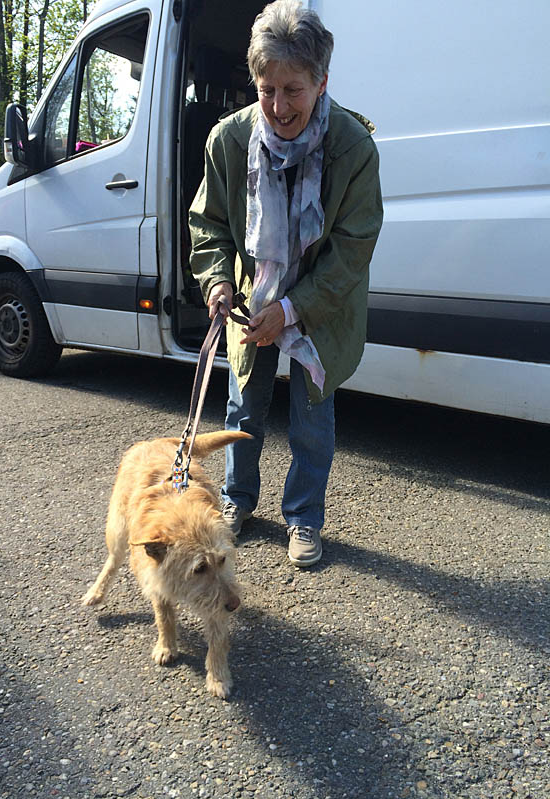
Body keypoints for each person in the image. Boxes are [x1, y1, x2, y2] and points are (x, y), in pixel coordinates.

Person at [189, 0, 383, 567]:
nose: (277, 107)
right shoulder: (228, 140)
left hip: (322, 308)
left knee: (311, 420)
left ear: (322, 82)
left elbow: (352, 250)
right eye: (266, 89)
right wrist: (218, 282)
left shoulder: (353, 147)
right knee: (243, 408)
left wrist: (293, 309)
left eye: (293, 90)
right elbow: (209, 224)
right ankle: (237, 499)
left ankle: (303, 517)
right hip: (253, 302)